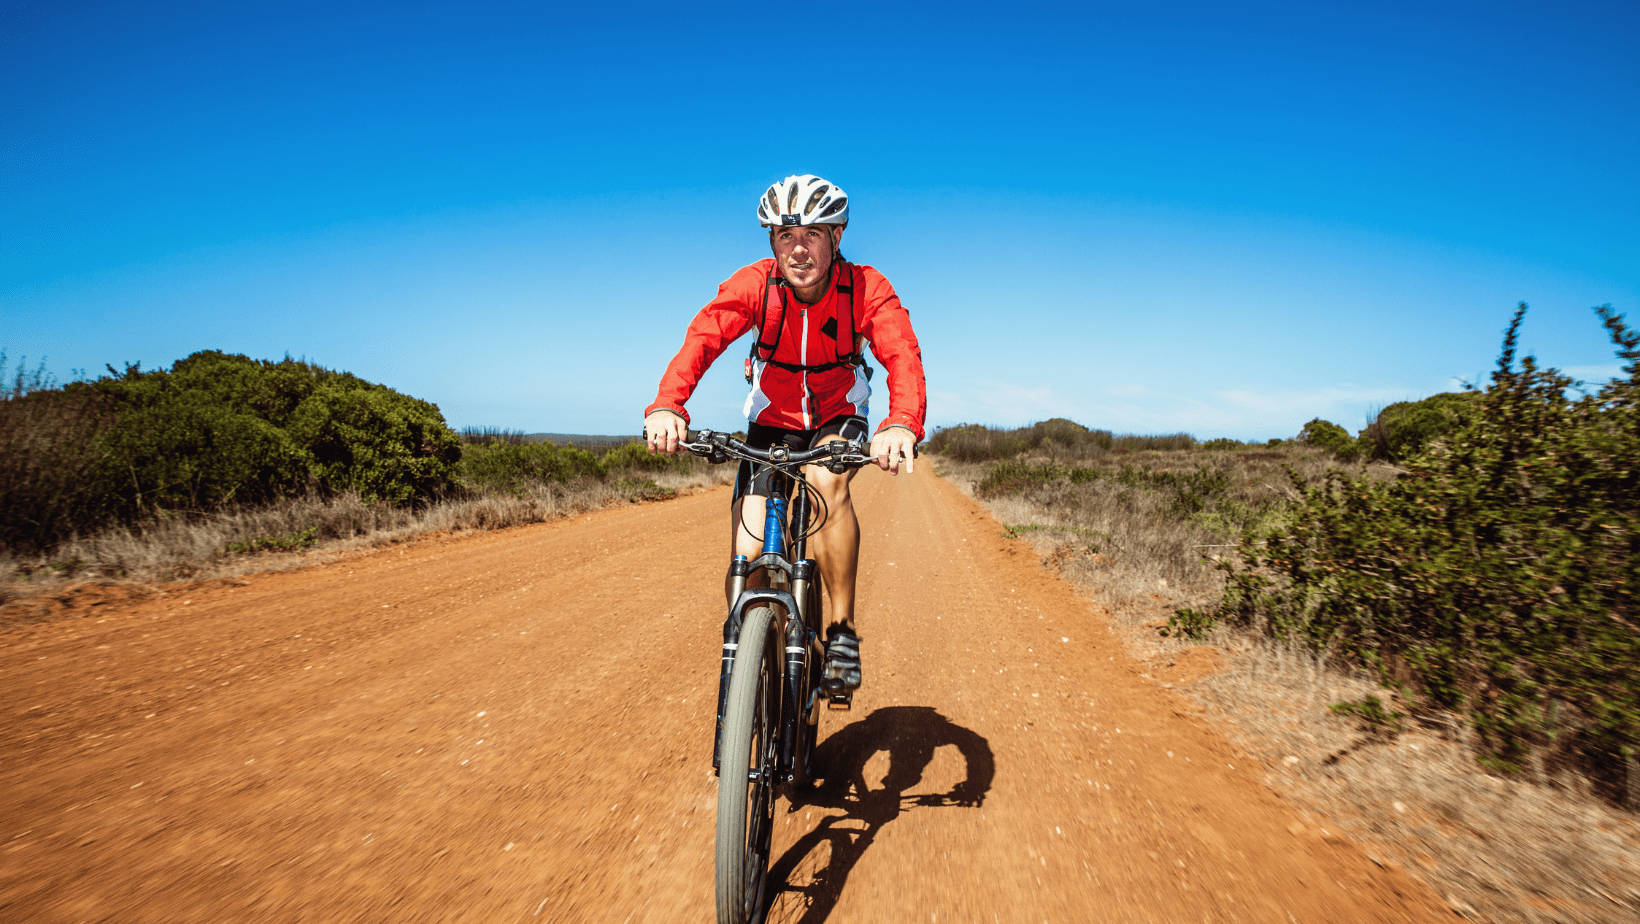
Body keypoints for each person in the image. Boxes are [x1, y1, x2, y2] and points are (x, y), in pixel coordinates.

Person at [644, 174, 926, 694]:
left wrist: (902, 421)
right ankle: (750, 651)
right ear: (772, 241)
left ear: (836, 237)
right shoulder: (756, 284)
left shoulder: (865, 287)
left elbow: (901, 352)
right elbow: (705, 336)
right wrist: (667, 405)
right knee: (748, 549)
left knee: (826, 483)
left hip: (837, 415)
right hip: (771, 421)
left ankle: (841, 632)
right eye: (786, 235)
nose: (798, 249)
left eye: (813, 234)